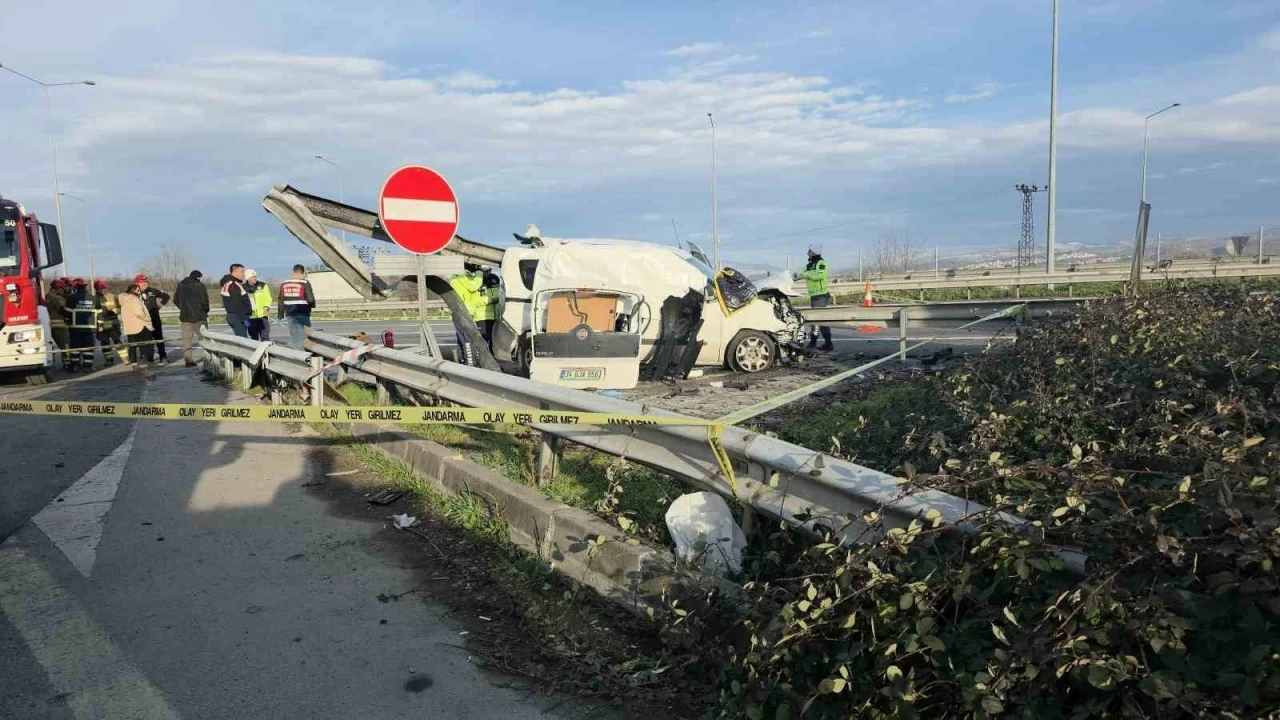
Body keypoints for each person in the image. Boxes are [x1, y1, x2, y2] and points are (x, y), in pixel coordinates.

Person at [448, 264, 488, 366]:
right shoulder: (463, 275)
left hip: (459, 311)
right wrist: (479, 273)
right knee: (468, 339)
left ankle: (464, 361)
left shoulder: (455, 276)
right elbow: (473, 286)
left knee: (462, 338)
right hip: (464, 312)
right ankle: (471, 363)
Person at [795, 244, 833, 352]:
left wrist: (807, 274)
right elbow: (799, 274)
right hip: (814, 296)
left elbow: (820, 276)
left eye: (809, 251)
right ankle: (826, 343)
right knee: (818, 320)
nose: (807, 253)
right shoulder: (810, 265)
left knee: (818, 320)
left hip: (821, 295)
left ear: (814, 252)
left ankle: (816, 343)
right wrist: (788, 279)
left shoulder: (821, 263)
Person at [174, 270, 210, 367]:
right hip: (199, 317)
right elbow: (205, 301)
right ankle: (208, 359)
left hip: (185, 317)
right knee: (205, 339)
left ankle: (188, 360)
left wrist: (183, 309)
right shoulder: (200, 286)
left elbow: (175, 300)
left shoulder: (180, 285)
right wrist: (205, 311)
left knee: (186, 340)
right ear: (198, 277)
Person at [278, 264, 316, 349]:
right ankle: (304, 354)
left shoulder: (284, 284)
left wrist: (280, 315)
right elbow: (310, 300)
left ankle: (296, 354)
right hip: (303, 313)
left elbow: (281, 300)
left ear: (293, 272)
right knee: (305, 336)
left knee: (294, 334)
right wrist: (312, 306)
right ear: (302, 272)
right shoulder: (304, 282)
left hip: (290, 313)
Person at [118, 283, 156, 366]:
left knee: (132, 346)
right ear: (132, 290)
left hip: (130, 327)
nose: (139, 292)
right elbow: (139, 313)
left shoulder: (123, 300)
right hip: (141, 325)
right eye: (138, 290)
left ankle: (134, 364)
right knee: (148, 344)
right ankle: (150, 361)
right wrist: (147, 318)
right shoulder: (134, 299)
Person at [136, 274, 171, 363]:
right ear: (137, 283)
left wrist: (159, 305)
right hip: (142, 320)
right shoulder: (135, 293)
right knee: (144, 340)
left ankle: (163, 356)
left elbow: (166, 296)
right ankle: (144, 357)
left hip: (155, 318)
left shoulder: (153, 291)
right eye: (142, 282)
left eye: (146, 282)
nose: (144, 284)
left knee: (159, 338)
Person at [93, 280, 127, 367]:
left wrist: (113, 310)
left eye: (103, 288)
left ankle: (125, 359)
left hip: (113, 323)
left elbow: (119, 309)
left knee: (117, 341)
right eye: (100, 288)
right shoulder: (94, 299)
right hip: (102, 325)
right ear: (96, 289)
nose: (103, 290)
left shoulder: (112, 297)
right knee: (105, 344)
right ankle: (109, 360)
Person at [66, 278, 97, 372]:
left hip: (76, 328)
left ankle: (75, 366)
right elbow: (99, 312)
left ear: (75, 287)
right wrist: (100, 325)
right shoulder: (93, 298)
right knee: (88, 348)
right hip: (91, 328)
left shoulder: (72, 297)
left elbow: (68, 312)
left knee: (75, 348)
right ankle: (88, 366)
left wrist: (67, 321)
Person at [219, 264, 252, 338]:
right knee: (243, 340)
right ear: (235, 271)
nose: (243, 274)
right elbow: (236, 303)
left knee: (242, 339)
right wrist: (243, 318)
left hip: (237, 315)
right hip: (237, 316)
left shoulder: (234, 283)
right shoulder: (233, 284)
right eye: (242, 272)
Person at [46, 278, 71, 368]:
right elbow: (63, 310)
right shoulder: (57, 297)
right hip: (60, 325)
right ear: (58, 288)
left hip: (49, 326)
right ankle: (68, 363)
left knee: (49, 345)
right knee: (65, 345)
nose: (62, 291)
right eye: (62, 289)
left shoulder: (46, 296)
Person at [244, 269, 273, 341]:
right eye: (252, 277)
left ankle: (266, 352)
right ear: (247, 278)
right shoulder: (243, 287)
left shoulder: (263, 285)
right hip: (250, 317)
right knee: (254, 337)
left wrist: (266, 308)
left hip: (262, 316)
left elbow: (268, 298)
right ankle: (256, 351)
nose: (255, 278)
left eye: (255, 276)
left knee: (265, 337)